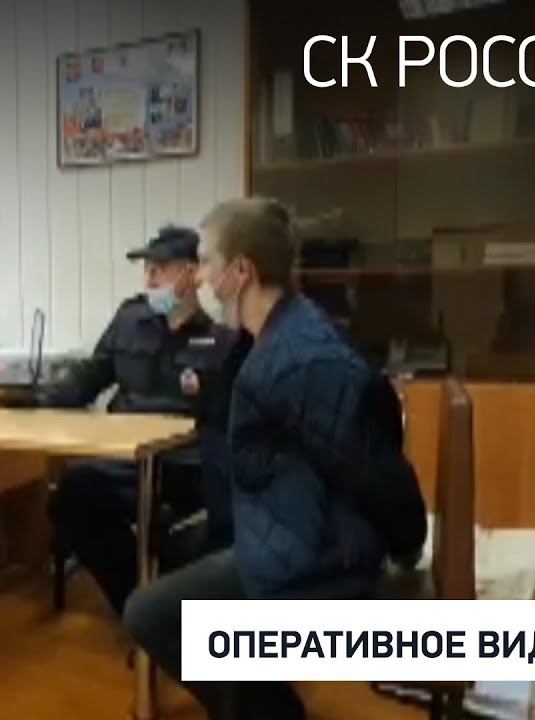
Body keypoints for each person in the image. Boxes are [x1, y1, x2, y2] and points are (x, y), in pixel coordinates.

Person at [123, 198, 421, 720]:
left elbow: (374, 470)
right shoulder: (270, 336)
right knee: (177, 558)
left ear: (241, 271)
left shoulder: (301, 360)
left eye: (208, 262)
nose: (202, 277)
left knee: (150, 614)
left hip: (323, 560)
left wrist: (406, 552)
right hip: (293, 530)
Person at [45, 225, 235, 617]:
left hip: (182, 466)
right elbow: (88, 379)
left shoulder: (221, 341)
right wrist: (29, 396)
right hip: (123, 461)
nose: (149, 281)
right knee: (71, 496)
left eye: (159, 270)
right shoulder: (128, 320)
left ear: (192, 274)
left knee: (219, 517)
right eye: (147, 270)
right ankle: (140, 604)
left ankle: (161, 605)